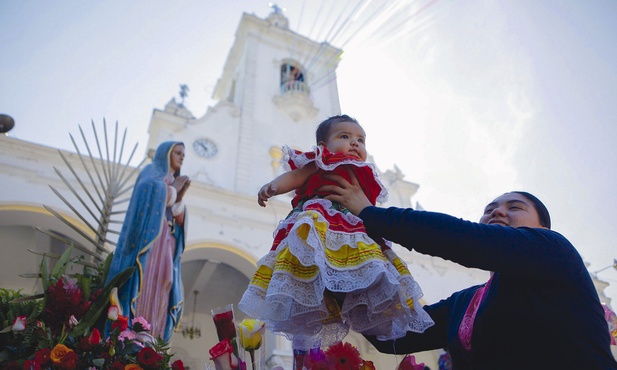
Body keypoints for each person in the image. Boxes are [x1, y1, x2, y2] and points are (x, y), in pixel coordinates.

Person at [320, 174, 617, 369]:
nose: (498, 212)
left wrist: (371, 214)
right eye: (490, 208)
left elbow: (463, 239)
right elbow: (395, 334)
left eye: (515, 207)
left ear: (542, 228)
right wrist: (334, 277)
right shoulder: (465, 302)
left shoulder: (555, 250)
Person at [238, 115, 433, 351]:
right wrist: (274, 187)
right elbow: (296, 176)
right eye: (345, 136)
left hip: (354, 230)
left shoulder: (364, 172)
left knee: (366, 264)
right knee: (311, 258)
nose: (355, 143)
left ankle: (363, 296)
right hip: (320, 220)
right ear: (322, 147)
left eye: (361, 140)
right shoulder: (321, 161)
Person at [106, 141, 191, 342]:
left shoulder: (172, 179)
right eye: (177, 153)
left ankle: (153, 331)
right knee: (146, 279)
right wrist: (171, 191)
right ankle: (135, 328)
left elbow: (177, 215)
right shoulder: (152, 172)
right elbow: (147, 190)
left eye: (182, 154)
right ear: (166, 153)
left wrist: (178, 200)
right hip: (150, 242)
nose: (181, 157)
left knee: (165, 281)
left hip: (167, 241)